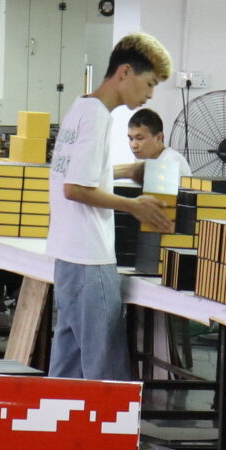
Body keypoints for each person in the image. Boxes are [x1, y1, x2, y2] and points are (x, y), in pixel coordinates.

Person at [48, 34, 175, 381]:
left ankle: (59, 431)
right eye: (149, 84)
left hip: (68, 256)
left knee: (68, 368)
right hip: (90, 260)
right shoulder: (99, 118)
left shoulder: (80, 107)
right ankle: (107, 436)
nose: (149, 95)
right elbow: (75, 188)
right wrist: (133, 205)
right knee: (106, 376)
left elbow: (76, 176)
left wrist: (122, 172)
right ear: (124, 73)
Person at [121, 108, 188, 197]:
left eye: (139, 138)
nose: (133, 145)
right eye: (130, 138)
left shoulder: (171, 160)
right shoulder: (149, 164)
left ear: (159, 137)